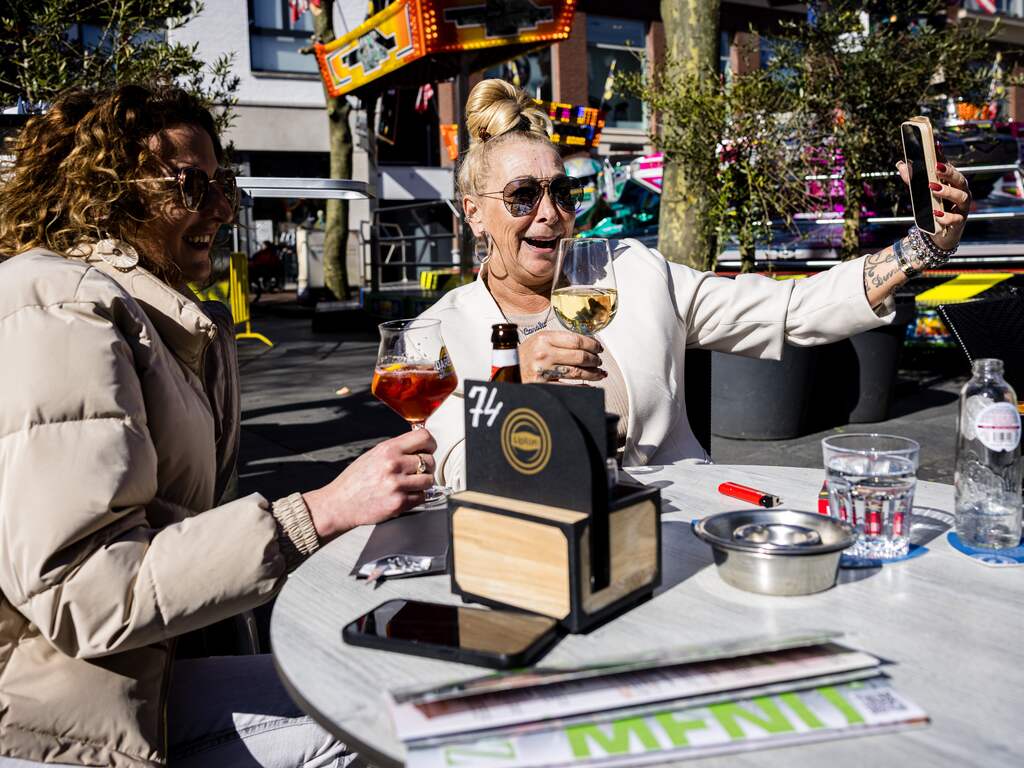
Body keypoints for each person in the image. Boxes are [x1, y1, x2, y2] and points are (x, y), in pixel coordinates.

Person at [0, 84, 437, 767]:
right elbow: (82, 592)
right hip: (60, 721)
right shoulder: (57, 303)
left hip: (137, 683)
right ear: (106, 189)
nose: (222, 208)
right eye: (193, 185)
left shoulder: (159, 317)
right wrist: (316, 514)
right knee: (387, 717)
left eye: (222, 184)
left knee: (382, 678)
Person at [421, 79, 971, 490]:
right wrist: (518, 390)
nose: (549, 213)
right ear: (473, 212)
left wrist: (924, 244)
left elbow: (789, 310)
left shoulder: (631, 271)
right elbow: (457, 469)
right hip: (531, 540)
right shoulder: (441, 330)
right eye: (521, 196)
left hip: (674, 517)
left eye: (562, 194)